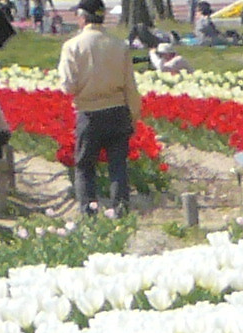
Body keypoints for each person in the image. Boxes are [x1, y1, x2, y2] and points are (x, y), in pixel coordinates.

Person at [58, 0, 136, 216]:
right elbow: (131, 85)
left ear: (82, 17)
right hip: (118, 110)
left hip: (90, 113)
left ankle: (89, 214)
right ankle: (121, 213)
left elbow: (68, 86)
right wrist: (134, 117)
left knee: (84, 167)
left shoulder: (73, 46)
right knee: (118, 167)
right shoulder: (119, 45)